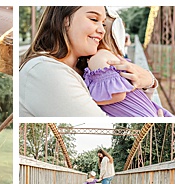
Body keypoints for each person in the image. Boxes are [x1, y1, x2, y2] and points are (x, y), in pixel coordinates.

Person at [19, 6, 158, 117]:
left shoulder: (84, 70)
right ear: (65, 20)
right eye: (93, 19)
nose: (102, 30)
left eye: (103, 23)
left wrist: (150, 81)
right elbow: (107, 126)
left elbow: (129, 107)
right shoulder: (44, 71)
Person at [83, 15, 172, 117]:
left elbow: (118, 94)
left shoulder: (98, 58)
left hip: (134, 113)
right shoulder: (110, 56)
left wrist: (90, 102)